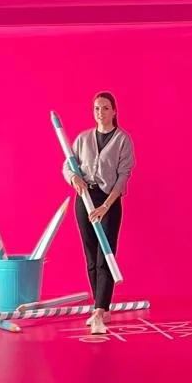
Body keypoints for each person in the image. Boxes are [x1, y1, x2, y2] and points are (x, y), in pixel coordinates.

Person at [64, 91, 135, 335]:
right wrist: (74, 178)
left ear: (114, 111)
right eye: (96, 108)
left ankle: (99, 311)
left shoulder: (123, 140)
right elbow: (67, 164)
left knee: (106, 254)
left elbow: (124, 175)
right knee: (91, 255)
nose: (100, 113)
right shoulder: (83, 139)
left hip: (108, 201)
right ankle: (100, 305)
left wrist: (105, 206)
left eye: (105, 108)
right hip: (84, 199)